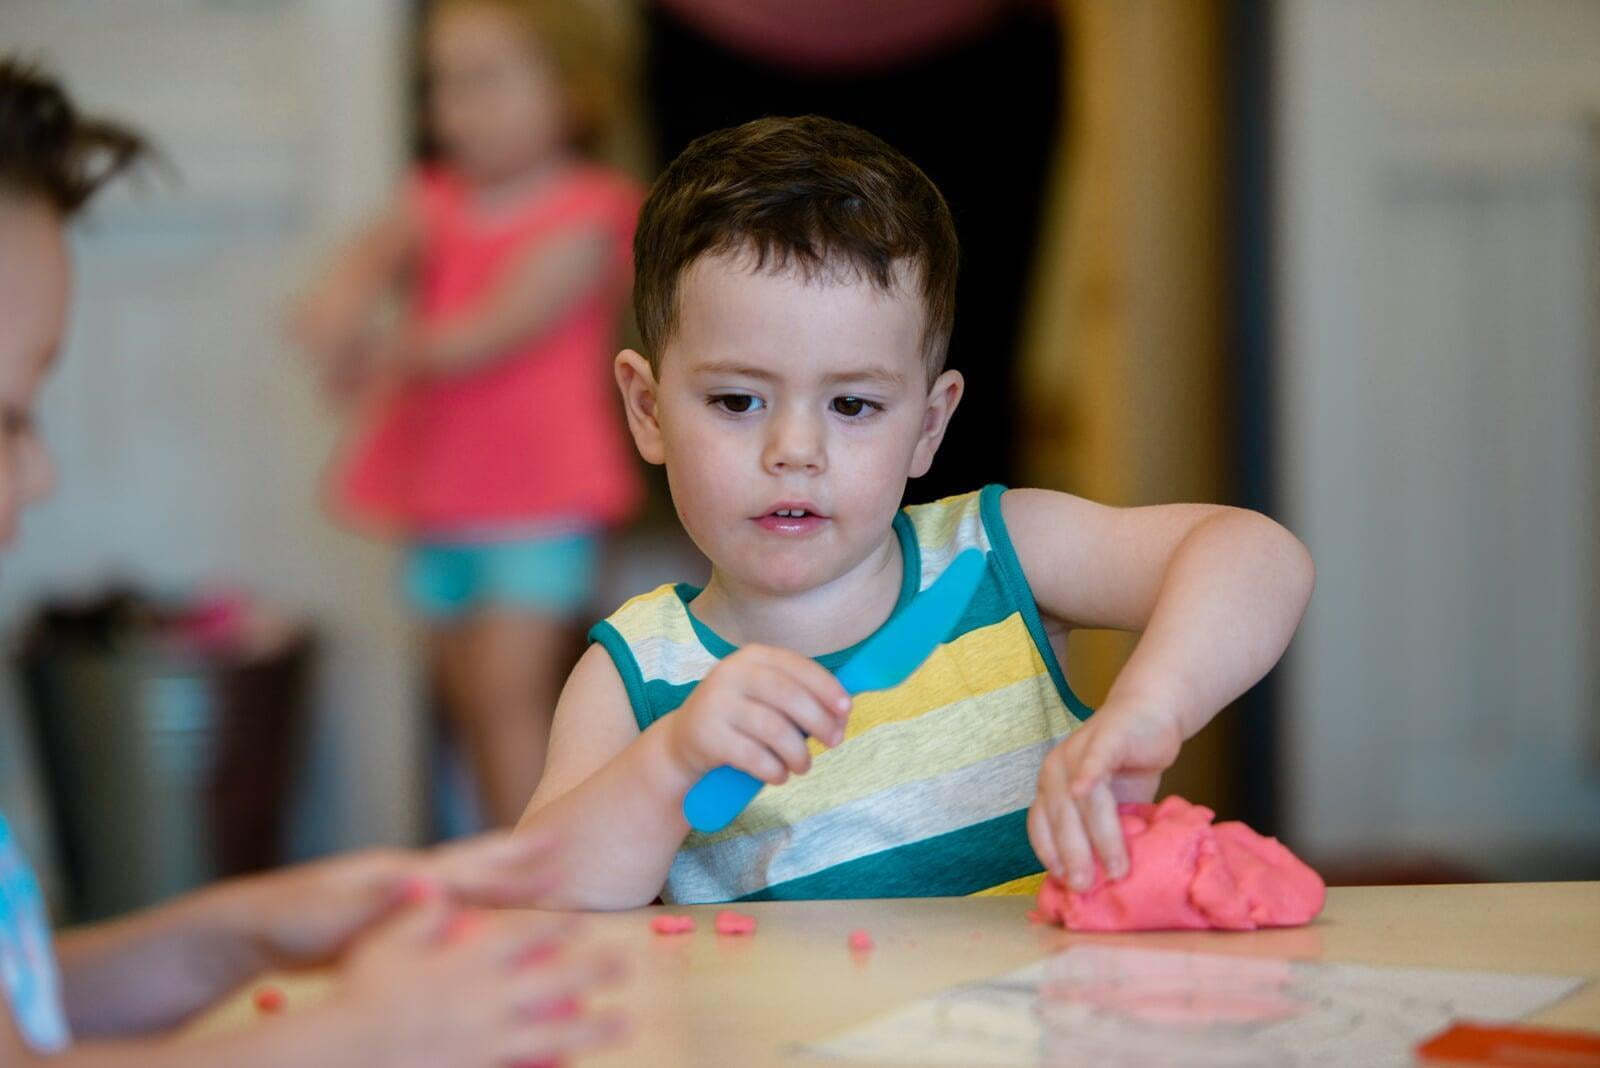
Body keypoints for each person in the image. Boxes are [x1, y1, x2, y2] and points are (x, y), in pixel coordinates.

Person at [517, 116, 1315, 909]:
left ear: (928, 425)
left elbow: (1255, 553)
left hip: (1035, 1033)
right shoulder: (635, 676)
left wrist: (1151, 707)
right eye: (737, 399)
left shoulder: (997, 561)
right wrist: (666, 766)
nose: (795, 450)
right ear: (649, 409)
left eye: (855, 405)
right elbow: (539, 898)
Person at [0, 59, 625, 1065]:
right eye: (10, 419)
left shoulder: (583, 214)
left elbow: (26, 1002)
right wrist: (354, 1041)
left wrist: (246, 930)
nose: (39, 475)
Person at [292, 0, 644, 827]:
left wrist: (385, 349)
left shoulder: (589, 210)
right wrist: (337, 314)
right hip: (443, 495)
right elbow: (354, 271)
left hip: (542, 497)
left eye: (484, 81)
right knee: (457, 694)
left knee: (508, 695)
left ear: (574, 90)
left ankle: (535, 871)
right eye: (441, 85)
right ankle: (493, 855)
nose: (453, 110)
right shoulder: (434, 199)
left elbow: (501, 324)